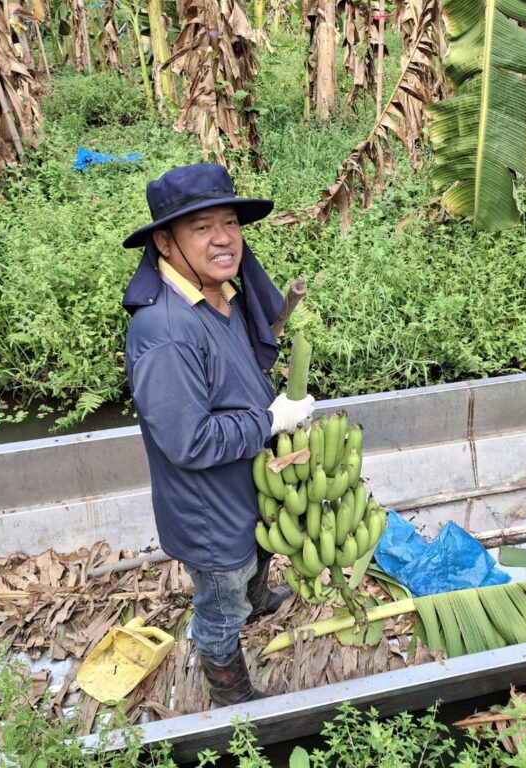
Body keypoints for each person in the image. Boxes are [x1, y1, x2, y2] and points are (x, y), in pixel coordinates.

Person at [121, 163, 315, 706]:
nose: (224, 238)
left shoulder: (220, 295)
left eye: (229, 222)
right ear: (165, 242)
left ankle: (257, 597)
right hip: (209, 511)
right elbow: (189, 441)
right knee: (222, 603)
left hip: (246, 485)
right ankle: (231, 692)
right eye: (202, 227)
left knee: (257, 554)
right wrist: (271, 421)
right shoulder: (165, 332)